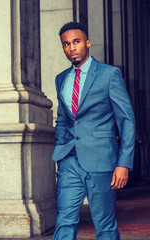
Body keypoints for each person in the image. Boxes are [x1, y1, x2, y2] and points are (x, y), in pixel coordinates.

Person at [52, 22, 135, 240]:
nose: (72, 48)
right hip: (69, 160)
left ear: (87, 43)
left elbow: (126, 120)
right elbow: (63, 118)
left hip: (101, 161)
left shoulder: (109, 74)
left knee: (105, 226)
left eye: (76, 42)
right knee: (64, 221)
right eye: (66, 44)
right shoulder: (61, 79)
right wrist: (61, 147)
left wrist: (123, 163)